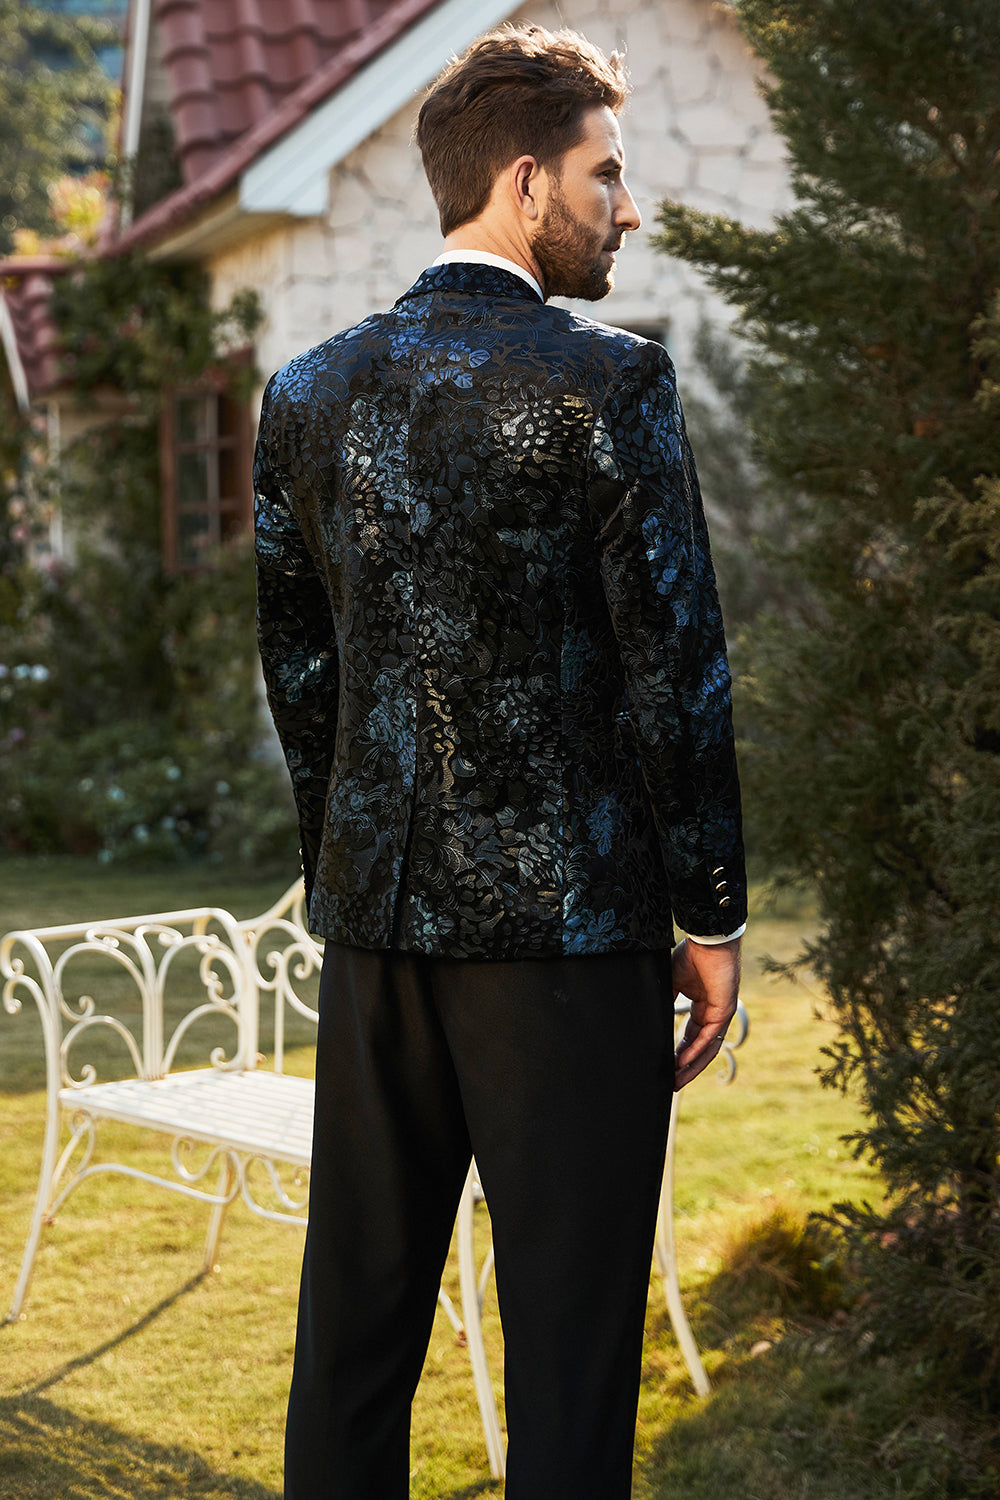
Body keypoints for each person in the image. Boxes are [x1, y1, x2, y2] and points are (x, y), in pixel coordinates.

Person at [253, 23, 746, 1499]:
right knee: (570, 1362)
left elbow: (302, 678)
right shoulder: (615, 383)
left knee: (351, 1348)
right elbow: (677, 671)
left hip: (378, 940)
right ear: (526, 184)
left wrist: (347, 870)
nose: (629, 209)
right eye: (608, 175)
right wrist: (711, 910)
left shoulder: (307, 391)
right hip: (570, 950)